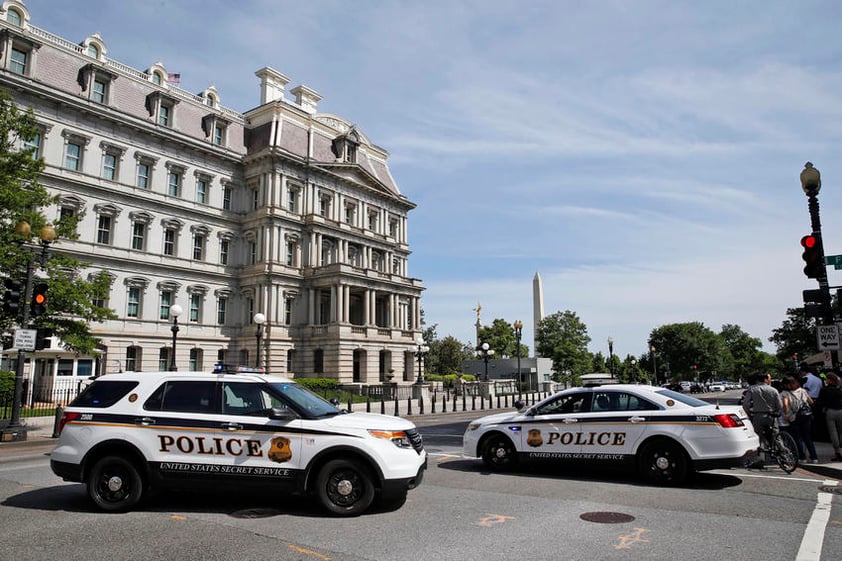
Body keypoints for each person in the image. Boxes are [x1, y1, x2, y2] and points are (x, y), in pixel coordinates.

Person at [742, 373, 783, 468]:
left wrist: (748, 414)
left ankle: (760, 459)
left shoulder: (752, 389)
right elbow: (779, 405)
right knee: (776, 436)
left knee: (758, 437)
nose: (770, 380)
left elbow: (746, 404)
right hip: (772, 415)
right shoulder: (773, 390)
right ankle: (783, 454)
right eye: (769, 378)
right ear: (765, 379)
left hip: (758, 415)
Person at [780, 375, 818, 464]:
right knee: (808, 437)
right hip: (806, 416)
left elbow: (785, 404)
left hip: (795, 417)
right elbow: (811, 402)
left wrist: (785, 414)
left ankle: (802, 458)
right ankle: (814, 457)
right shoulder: (803, 391)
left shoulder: (785, 393)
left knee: (798, 438)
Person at [817, 372, 842, 461]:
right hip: (840, 410)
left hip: (830, 411)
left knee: (833, 432)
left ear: (829, 380)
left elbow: (820, 402)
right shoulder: (839, 390)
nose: (825, 380)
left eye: (826, 379)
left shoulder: (824, 390)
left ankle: (837, 452)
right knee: (840, 431)